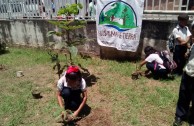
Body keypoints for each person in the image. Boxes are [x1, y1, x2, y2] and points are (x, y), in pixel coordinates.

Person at [173, 39, 194, 125]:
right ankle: (180, 116)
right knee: (183, 95)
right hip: (188, 72)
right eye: (193, 30)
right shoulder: (193, 44)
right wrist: (187, 55)